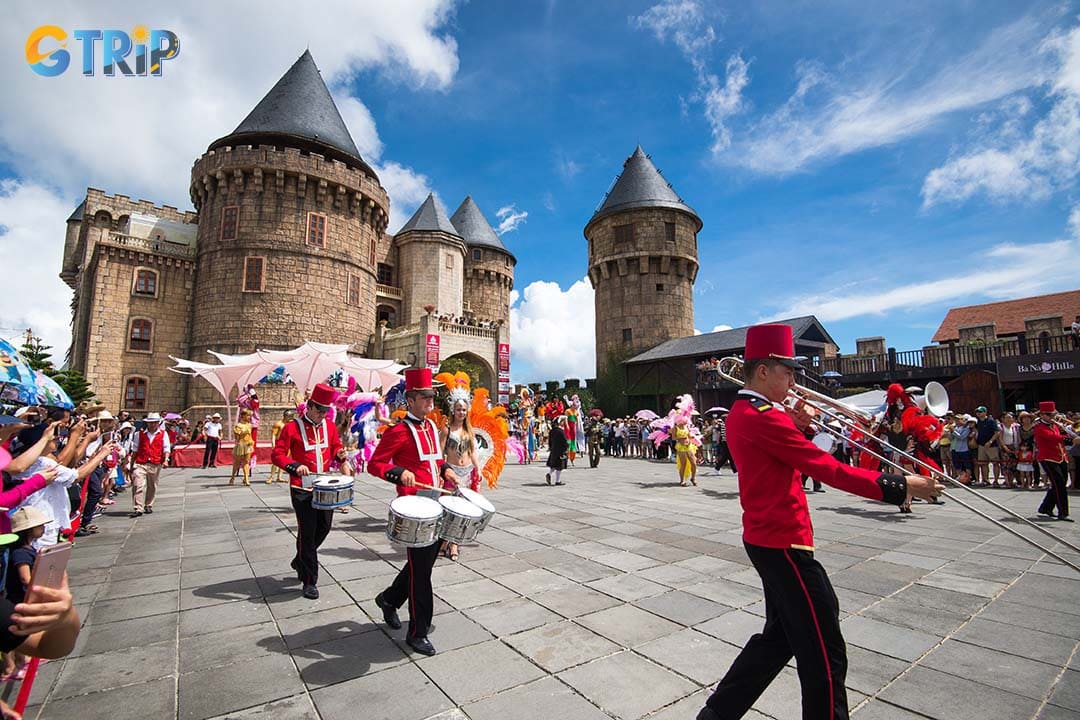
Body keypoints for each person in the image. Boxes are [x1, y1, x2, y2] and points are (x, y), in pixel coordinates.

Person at [696, 324, 942, 720]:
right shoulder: (762, 415)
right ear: (763, 371)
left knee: (778, 640)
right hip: (784, 543)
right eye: (787, 371)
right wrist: (900, 485)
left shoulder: (751, 411)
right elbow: (827, 469)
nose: (795, 381)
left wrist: (801, 423)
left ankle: (718, 713)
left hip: (767, 537)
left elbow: (778, 458)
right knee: (825, 654)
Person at [368, 368, 457, 656]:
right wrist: (398, 472)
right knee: (422, 575)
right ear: (411, 398)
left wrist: (447, 470)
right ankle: (417, 633)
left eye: (433, 394)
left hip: (436, 502)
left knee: (421, 567)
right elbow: (375, 463)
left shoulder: (431, 427)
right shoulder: (398, 431)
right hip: (415, 510)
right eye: (426, 395)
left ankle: (389, 600)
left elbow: (436, 460)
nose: (432, 399)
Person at [271, 383, 348, 600]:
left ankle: (300, 559)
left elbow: (334, 446)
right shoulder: (291, 428)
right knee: (307, 531)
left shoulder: (330, 426)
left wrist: (341, 455)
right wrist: (294, 466)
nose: (323, 415)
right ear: (310, 406)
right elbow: (277, 455)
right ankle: (310, 580)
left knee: (324, 527)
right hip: (301, 487)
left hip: (324, 485)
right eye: (320, 410)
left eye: (326, 411)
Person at [438, 381, 482, 562]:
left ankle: (453, 543)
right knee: (450, 509)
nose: (461, 413)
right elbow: (440, 454)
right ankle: (445, 542)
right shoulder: (446, 430)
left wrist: (478, 469)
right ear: (453, 410)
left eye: (464, 409)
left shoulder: (468, 431)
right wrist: (441, 473)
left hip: (467, 473)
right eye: (458, 409)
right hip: (452, 473)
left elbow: (472, 453)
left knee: (463, 510)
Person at [1035, 401, 1075, 522]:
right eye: (1049, 415)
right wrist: (1073, 439)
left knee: (1060, 483)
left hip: (1061, 457)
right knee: (1059, 485)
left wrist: (1067, 428)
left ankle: (1045, 507)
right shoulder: (1039, 427)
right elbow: (1055, 438)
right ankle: (1063, 512)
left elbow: (1063, 433)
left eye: (1053, 414)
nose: (1052, 417)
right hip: (1048, 458)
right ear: (1042, 415)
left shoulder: (1055, 425)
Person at [126, 413, 170, 518]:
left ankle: (148, 504)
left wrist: (166, 460)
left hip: (155, 463)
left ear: (158, 423)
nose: (152, 425)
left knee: (152, 485)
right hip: (141, 462)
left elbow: (166, 448)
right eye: (150, 423)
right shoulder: (139, 434)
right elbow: (135, 450)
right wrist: (131, 465)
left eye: (155, 423)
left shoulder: (163, 434)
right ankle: (138, 507)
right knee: (138, 484)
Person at [974, 406, 1002, 487]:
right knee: (983, 463)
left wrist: (990, 441)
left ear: (985, 412)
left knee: (995, 463)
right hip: (981, 445)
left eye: (980, 411)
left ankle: (996, 480)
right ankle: (985, 479)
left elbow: (997, 432)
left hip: (992, 445)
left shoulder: (991, 421)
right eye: (977, 412)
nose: (978, 413)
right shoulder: (977, 422)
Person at [230, 409, 255, 486]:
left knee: (246, 462)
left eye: (250, 416)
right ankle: (233, 477)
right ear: (243, 416)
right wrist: (240, 433)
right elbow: (236, 437)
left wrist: (252, 441)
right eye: (247, 415)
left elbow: (250, 435)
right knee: (237, 463)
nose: (249, 417)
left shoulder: (249, 425)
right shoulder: (238, 426)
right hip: (241, 444)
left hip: (248, 445)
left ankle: (246, 478)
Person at [267, 410, 292, 484]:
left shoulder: (290, 424)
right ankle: (271, 477)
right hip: (279, 443)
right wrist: (273, 444)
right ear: (286, 416)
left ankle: (279, 477)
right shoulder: (278, 424)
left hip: (287, 443)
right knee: (276, 461)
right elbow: (274, 435)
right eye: (289, 417)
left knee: (284, 460)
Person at [546, 416, 568, 486]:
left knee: (553, 465)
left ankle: (549, 473)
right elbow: (564, 441)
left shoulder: (552, 431)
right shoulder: (560, 431)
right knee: (559, 466)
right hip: (560, 450)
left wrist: (550, 447)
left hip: (553, 450)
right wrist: (566, 448)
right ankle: (557, 481)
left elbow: (549, 441)